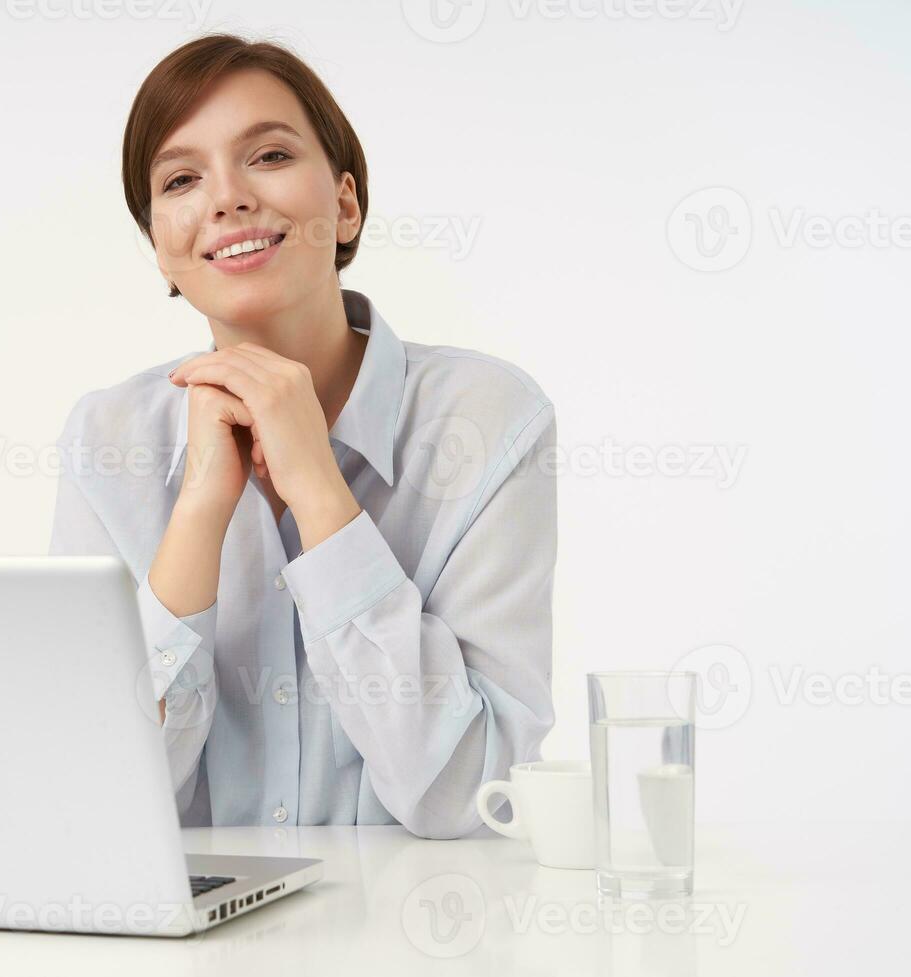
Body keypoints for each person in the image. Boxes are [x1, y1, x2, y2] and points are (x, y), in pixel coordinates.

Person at [49, 33, 556, 839]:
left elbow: (473, 798)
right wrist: (197, 520)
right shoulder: (107, 440)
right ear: (160, 248)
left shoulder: (487, 420)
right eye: (181, 179)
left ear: (346, 205)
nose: (226, 199)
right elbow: (85, 809)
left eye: (270, 156)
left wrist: (321, 495)